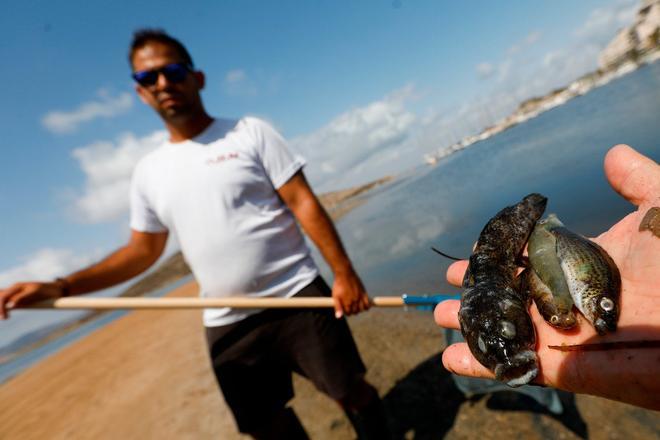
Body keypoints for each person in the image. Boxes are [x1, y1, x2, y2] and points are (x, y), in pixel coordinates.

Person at [0, 29, 391, 439]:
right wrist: (60, 286)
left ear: (197, 77)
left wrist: (344, 273)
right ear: (140, 93)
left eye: (172, 71)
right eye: (148, 78)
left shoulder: (249, 132)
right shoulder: (148, 172)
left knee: (351, 392)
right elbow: (141, 251)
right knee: (265, 426)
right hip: (226, 318)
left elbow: (303, 202)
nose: (163, 83)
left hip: (297, 294)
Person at [434, 144, 660, 411]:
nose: (508, 356)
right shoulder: (510, 299)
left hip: (493, 264)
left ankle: (527, 211)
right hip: (491, 271)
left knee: (532, 206)